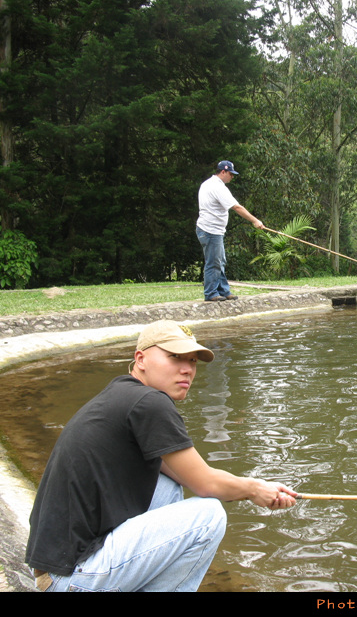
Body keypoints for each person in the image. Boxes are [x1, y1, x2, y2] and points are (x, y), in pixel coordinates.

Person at [25, 320, 297, 592]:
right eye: (175, 357)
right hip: (73, 577)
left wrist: (260, 488)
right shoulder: (149, 403)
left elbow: (192, 475)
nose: (187, 369)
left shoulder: (122, 393)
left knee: (166, 488)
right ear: (141, 359)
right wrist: (253, 489)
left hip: (53, 571)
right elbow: (207, 484)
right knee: (209, 516)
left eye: (192, 361)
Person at [196, 160, 265, 302]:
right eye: (230, 174)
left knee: (220, 261)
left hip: (213, 230)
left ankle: (224, 291)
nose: (232, 177)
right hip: (210, 230)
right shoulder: (217, 187)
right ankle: (211, 294)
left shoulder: (209, 184)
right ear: (223, 172)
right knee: (213, 262)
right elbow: (236, 207)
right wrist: (255, 221)